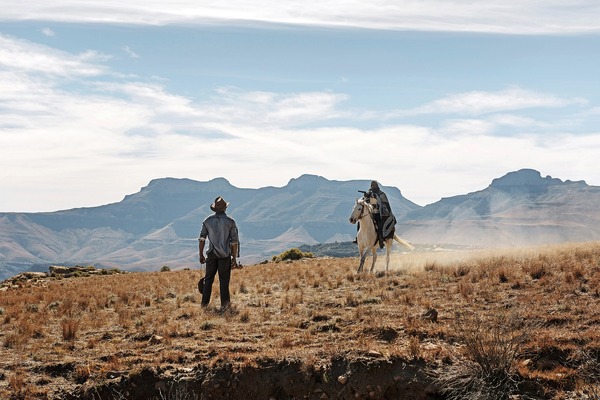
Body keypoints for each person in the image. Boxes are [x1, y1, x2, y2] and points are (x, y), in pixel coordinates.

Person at [198, 196, 239, 311]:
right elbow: (234, 242)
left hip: (211, 255)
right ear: (225, 209)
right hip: (225, 256)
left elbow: (202, 239)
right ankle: (225, 306)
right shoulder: (230, 222)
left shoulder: (207, 221)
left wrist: (201, 254)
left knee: (208, 280)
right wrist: (234, 258)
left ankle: (204, 306)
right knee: (224, 282)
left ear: (215, 209)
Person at [354, 181, 395, 248]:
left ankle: (381, 240)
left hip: (378, 213)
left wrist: (377, 203)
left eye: (374, 186)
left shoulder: (381, 194)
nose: (373, 187)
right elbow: (364, 202)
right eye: (372, 186)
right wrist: (366, 196)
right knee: (360, 222)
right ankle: (357, 238)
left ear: (377, 186)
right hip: (370, 213)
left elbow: (385, 204)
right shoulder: (369, 193)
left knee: (379, 224)